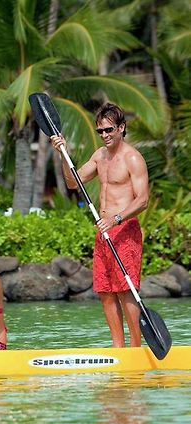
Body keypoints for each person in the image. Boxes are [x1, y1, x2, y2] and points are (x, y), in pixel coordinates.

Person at [50, 103, 149, 348]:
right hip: (103, 233)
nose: (104, 135)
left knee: (126, 291)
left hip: (125, 230)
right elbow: (73, 182)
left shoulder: (132, 158)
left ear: (121, 128)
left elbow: (143, 199)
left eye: (109, 130)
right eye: (100, 131)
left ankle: (135, 349)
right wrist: (63, 154)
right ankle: (119, 347)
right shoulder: (99, 156)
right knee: (105, 292)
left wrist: (116, 219)